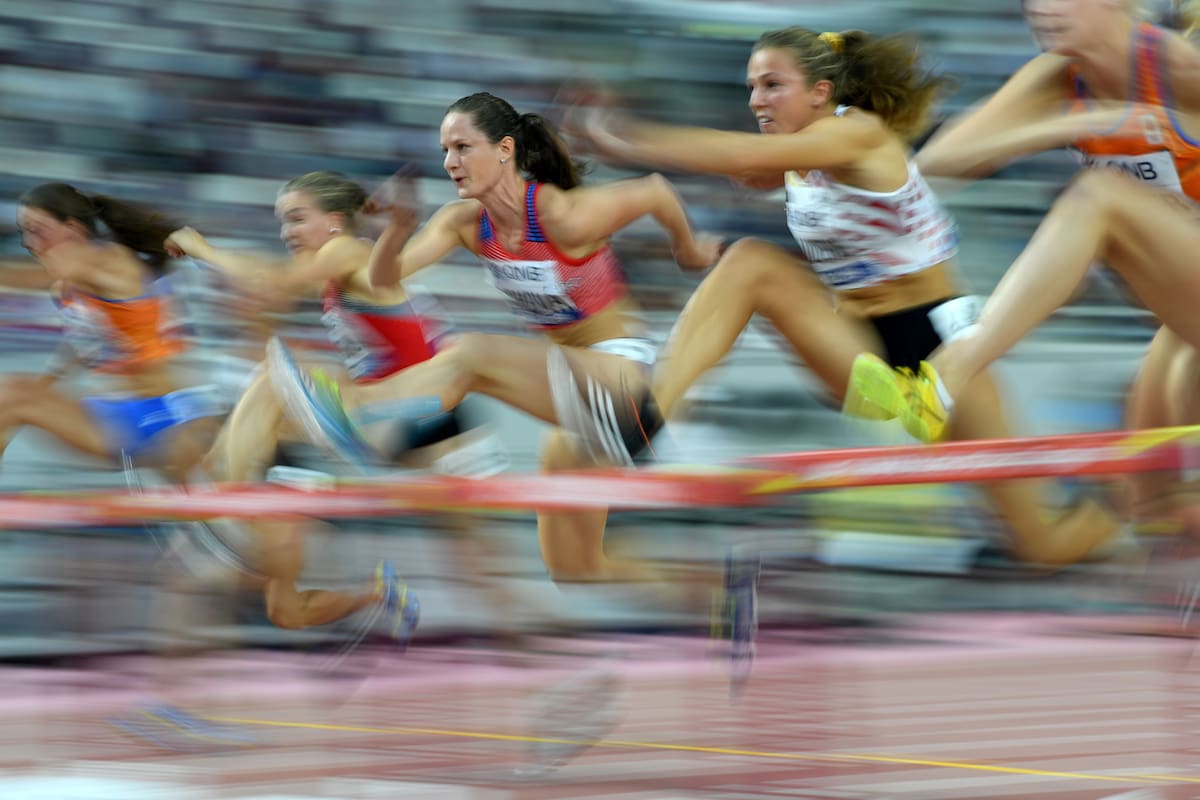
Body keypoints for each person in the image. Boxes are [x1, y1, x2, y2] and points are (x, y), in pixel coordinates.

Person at [572, 25, 1124, 567]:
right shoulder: (795, 157)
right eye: (751, 88)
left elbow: (733, 154)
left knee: (1041, 546)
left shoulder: (857, 134)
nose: (755, 100)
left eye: (771, 85)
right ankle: (647, 419)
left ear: (821, 93)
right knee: (748, 263)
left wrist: (625, 133)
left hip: (940, 352)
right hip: (857, 351)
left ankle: (1130, 507)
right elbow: (746, 167)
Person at [267, 92, 722, 595]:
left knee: (471, 355)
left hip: (626, 390)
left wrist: (689, 248)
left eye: (462, 147)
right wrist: (396, 229)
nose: (449, 163)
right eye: (444, 150)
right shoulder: (463, 223)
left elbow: (656, 190)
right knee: (575, 567)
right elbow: (385, 277)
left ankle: (362, 415)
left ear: (505, 150)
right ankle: (714, 592)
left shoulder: (563, 215)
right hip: (574, 408)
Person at [842, 0, 1200, 536]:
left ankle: (947, 373)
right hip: (1181, 320)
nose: (1039, 8)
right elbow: (934, 166)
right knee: (1157, 509)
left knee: (1099, 196)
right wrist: (1068, 124)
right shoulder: (1059, 77)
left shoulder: (1180, 73)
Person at [163, 170, 448, 640]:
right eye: (282, 222)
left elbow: (268, 283)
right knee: (286, 611)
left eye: (296, 219)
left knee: (275, 373)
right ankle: (378, 593)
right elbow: (268, 289)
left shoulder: (345, 249)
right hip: (387, 419)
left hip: (404, 416)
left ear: (334, 221)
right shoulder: (338, 273)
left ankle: (217, 504)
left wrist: (201, 248)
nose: (286, 233)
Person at [6, 182, 224, 483]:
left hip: (164, 418)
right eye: (24, 231)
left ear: (72, 228)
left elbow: (22, 277)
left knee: (11, 393)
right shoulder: (73, 281)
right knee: (14, 394)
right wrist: (47, 382)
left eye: (37, 230)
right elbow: (82, 340)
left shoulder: (108, 260)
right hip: (120, 413)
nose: (29, 242)